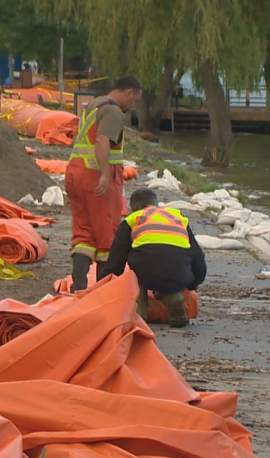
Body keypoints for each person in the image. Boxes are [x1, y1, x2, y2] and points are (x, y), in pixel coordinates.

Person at [66, 75, 142, 291]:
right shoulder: (113, 111)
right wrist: (106, 175)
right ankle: (103, 290)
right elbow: (102, 141)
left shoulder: (94, 105)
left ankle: (79, 285)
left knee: (83, 233)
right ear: (129, 93)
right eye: (134, 100)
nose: (133, 105)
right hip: (95, 176)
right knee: (107, 235)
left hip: (76, 172)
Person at [99, 188, 206, 328]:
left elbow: (116, 261)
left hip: (146, 271)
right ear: (156, 204)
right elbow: (197, 256)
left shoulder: (132, 220)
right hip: (179, 273)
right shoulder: (178, 217)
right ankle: (175, 298)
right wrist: (192, 284)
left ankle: (140, 311)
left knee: (139, 272)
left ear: (134, 208)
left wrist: (102, 287)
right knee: (168, 267)